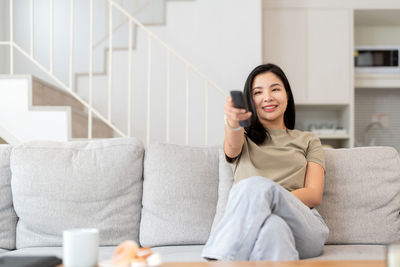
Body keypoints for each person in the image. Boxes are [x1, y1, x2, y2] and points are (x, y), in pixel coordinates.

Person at [201, 63, 329, 261]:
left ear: (287, 94)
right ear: (250, 101)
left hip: (305, 227)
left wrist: (269, 196)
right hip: (264, 227)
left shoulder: (308, 140)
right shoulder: (242, 137)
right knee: (273, 228)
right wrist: (233, 122)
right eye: (258, 92)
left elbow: (313, 194)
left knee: (257, 186)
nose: (268, 97)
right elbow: (232, 146)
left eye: (275, 89)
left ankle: (220, 259)